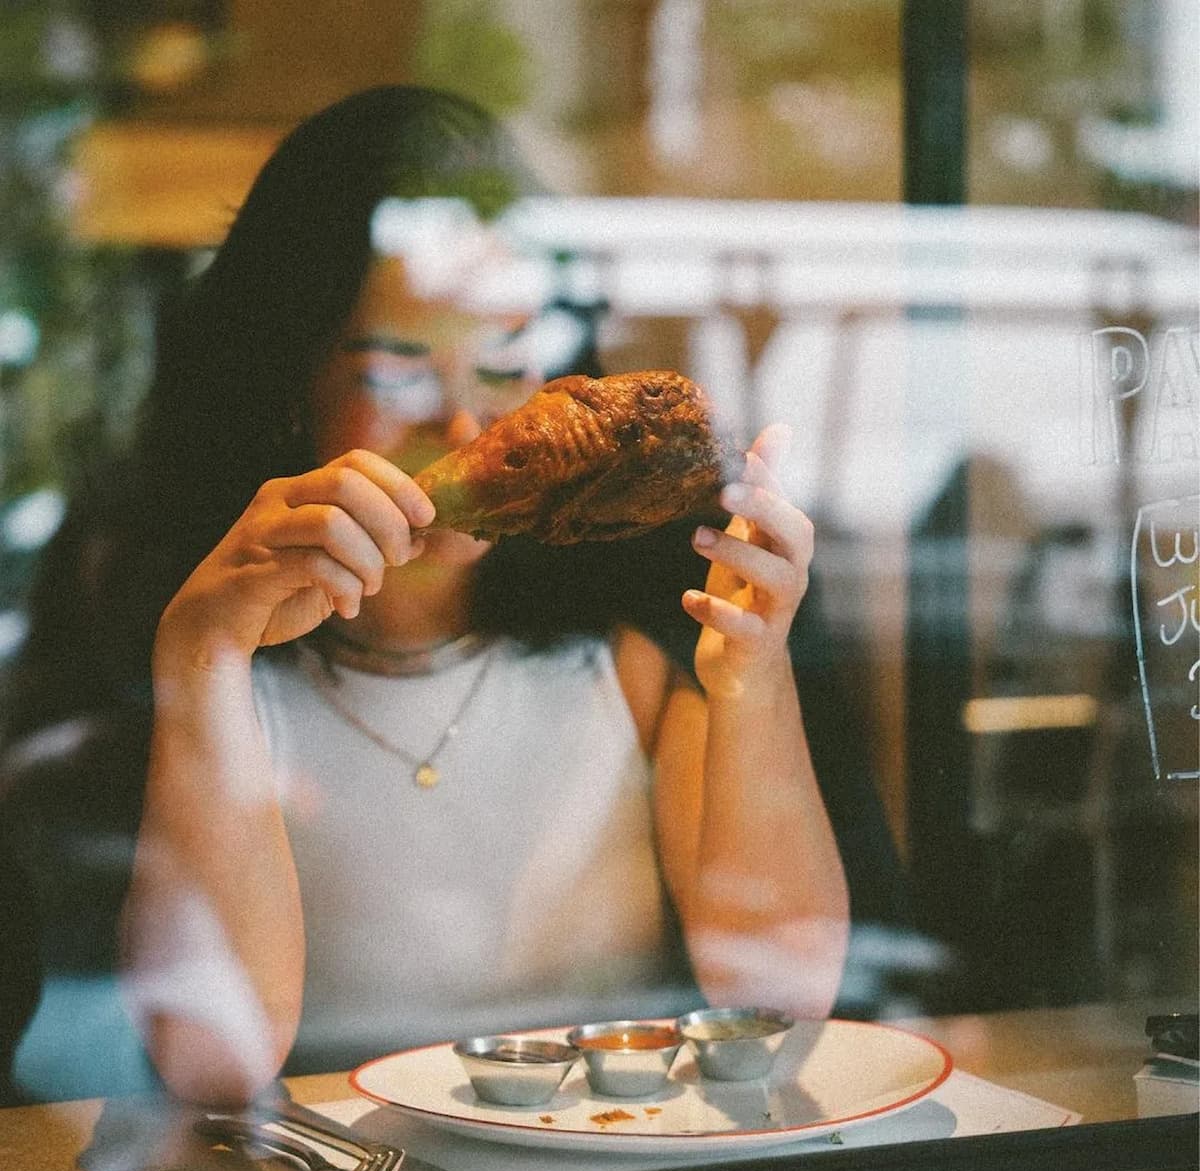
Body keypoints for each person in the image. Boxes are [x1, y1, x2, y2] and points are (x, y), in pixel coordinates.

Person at [1, 86, 907, 1108]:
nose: (468, 419)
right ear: (287, 383)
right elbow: (215, 1063)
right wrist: (202, 657)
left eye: (505, 363)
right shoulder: (208, 652)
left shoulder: (647, 641)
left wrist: (752, 676)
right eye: (395, 375)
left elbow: (781, 999)